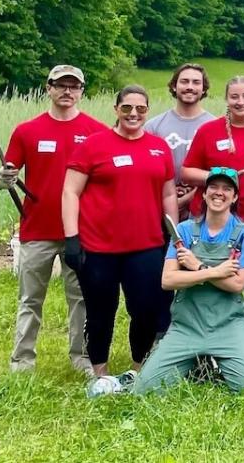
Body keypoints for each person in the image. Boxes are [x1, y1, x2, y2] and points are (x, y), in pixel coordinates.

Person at [0, 64, 107, 374]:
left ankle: (82, 357)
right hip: (37, 230)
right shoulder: (27, 131)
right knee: (30, 299)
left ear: (82, 91)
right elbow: (4, 177)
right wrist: (1, 177)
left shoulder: (97, 131)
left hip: (81, 233)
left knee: (81, 299)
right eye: (61, 85)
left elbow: (106, 180)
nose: (67, 91)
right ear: (49, 88)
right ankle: (22, 361)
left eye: (74, 86)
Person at [62, 85, 176, 395]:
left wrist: (174, 236)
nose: (133, 114)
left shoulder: (159, 147)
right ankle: (100, 372)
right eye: (127, 108)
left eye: (140, 109)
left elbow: (168, 193)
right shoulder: (93, 146)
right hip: (99, 248)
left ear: (147, 111)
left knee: (145, 310)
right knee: (101, 311)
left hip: (147, 245)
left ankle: (138, 368)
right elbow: (70, 191)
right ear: (116, 110)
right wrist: (71, 238)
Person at [132, 167, 244, 394]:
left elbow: (237, 284)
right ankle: (197, 364)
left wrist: (196, 266)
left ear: (234, 197)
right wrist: (212, 272)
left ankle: (214, 361)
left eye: (226, 188)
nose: (219, 192)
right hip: (187, 326)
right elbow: (168, 279)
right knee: (145, 391)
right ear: (203, 194)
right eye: (213, 187)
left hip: (229, 325)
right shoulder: (184, 230)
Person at [182, 76, 244, 361]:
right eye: (235, 97)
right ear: (226, 99)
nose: (241, 102)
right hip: (212, 221)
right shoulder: (208, 131)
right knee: (205, 281)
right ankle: (203, 338)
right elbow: (187, 171)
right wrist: (221, 179)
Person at [144, 62, 215, 219]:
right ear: (174, 86)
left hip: (202, 210)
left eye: (196, 82)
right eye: (184, 81)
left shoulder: (215, 127)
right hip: (159, 209)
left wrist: (185, 200)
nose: (190, 86)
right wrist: (170, 200)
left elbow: (218, 172)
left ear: (203, 89)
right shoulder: (153, 126)